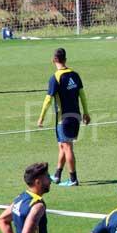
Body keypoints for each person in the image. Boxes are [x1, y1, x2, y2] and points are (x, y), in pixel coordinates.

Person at [37, 48, 90, 186]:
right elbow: (82, 95)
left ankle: (73, 179)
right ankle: (57, 175)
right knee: (62, 145)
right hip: (76, 116)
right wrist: (86, 112)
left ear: (53, 60)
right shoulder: (75, 75)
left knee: (67, 147)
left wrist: (41, 117)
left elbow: (48, 100)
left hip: (64, 119)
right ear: (65, 59)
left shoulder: (55, 78)